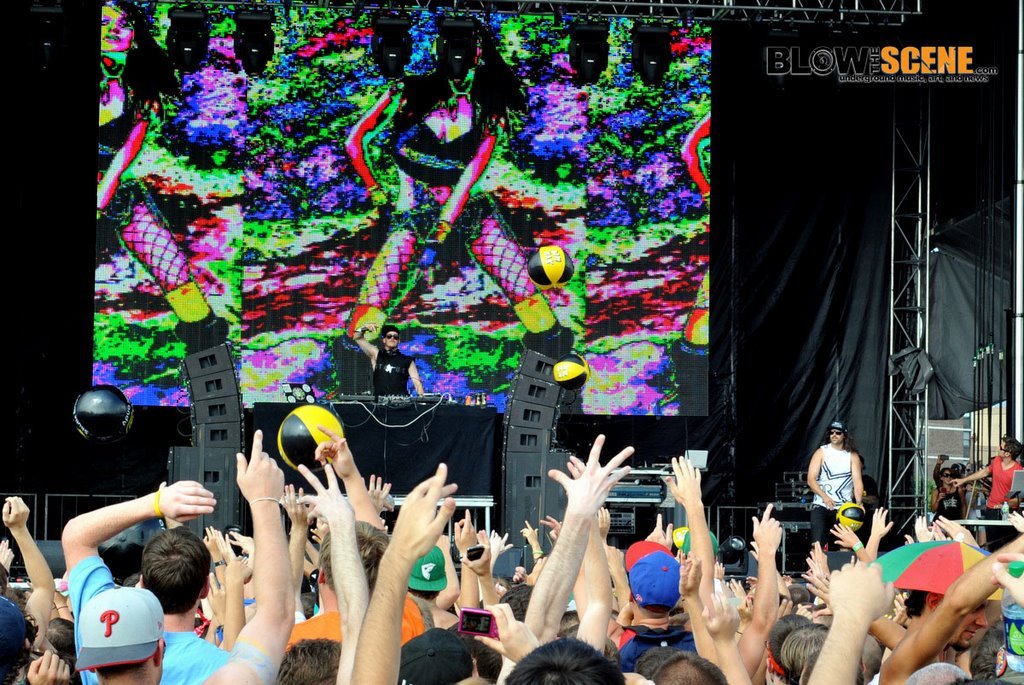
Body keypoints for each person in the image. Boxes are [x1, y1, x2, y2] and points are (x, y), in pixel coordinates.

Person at [343, 18, 572, 358]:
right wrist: (375, 189)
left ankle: (554, 361)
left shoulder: (488, 109)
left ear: (478, 54)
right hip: (417, 212)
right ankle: (355, 365)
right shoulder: (407, 94)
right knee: (379, 293)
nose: (459, 57)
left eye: (466, 48)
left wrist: (440, 227)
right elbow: (354, 142)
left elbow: (469, 179)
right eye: (454, 47)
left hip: (467, 212)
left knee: (518, 283)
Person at [97, 1, 227, 351]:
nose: (113, 30)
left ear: (136, 36)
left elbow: (125, 154)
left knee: (173, 270)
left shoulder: (140, 92)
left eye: (123, 24)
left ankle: (208, 360)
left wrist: (102, 197)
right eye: (104, 21)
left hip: (116, 192)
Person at [952, 435, 1024, 547]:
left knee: (1007, 545)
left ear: (1007, 453)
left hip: (1008, 512)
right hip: (991, 510)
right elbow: (984, 472)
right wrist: (963, 480)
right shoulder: (996, 461)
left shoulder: (1018, 471)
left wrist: (1003, 505)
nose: (997, 447)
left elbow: (1019, 498)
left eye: (1000, 446)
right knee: (992, 544)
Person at [806, 420, 864, 550]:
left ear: (844, 435)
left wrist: (859, 503)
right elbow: (811, 480)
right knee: (817, 545)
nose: (834, 435)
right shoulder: (821, 452)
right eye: (831, 432)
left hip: (844, 507)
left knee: (845, 545)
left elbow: (857, 482)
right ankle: (818, 563)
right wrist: (825, 497)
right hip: (821, 504)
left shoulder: (852, 456)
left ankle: (845, 564)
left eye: (838, 433)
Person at [352, 323, 425, 396]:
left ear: (398, 341)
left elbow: (417, 383)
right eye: (389, 336)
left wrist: (422, 400)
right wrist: (364, 327)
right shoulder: (377, 355)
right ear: (384, 340)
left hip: (401, 401)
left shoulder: (407, 360)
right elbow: (357, 338)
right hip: (379, 401)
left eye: (395, 337)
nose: (392, 338)